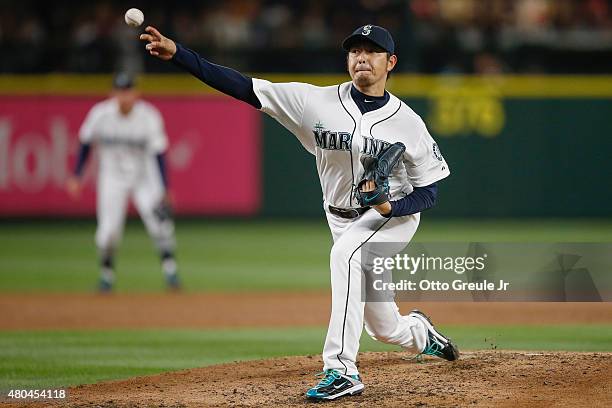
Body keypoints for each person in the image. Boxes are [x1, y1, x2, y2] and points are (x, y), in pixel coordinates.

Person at [140, 24, 458, 401]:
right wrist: (179, 55)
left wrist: (392, 207)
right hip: (341, 218)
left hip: (393, 219)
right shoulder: (314, 103)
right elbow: (243, 86)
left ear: (390, 63)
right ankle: (421, 334)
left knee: (346, 254)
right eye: (355, 50)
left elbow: (430, 192)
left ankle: (341, 370)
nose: (361, 57)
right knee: (383, 327)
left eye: (372, 51)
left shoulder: (408, 123)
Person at [66, 73, 181, 293]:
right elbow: (85, 143)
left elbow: (159, 154)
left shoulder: (149, 116)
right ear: (113, 93)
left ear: (136, 93)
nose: (125, 96)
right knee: (108, 232)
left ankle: (171, 272)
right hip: (112, 178)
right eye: (120, 91)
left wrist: (165, 188)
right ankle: (106, 276)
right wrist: (77, 175)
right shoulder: (100, 114)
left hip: (145, 178)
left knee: (161, 226)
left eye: (128, 90)